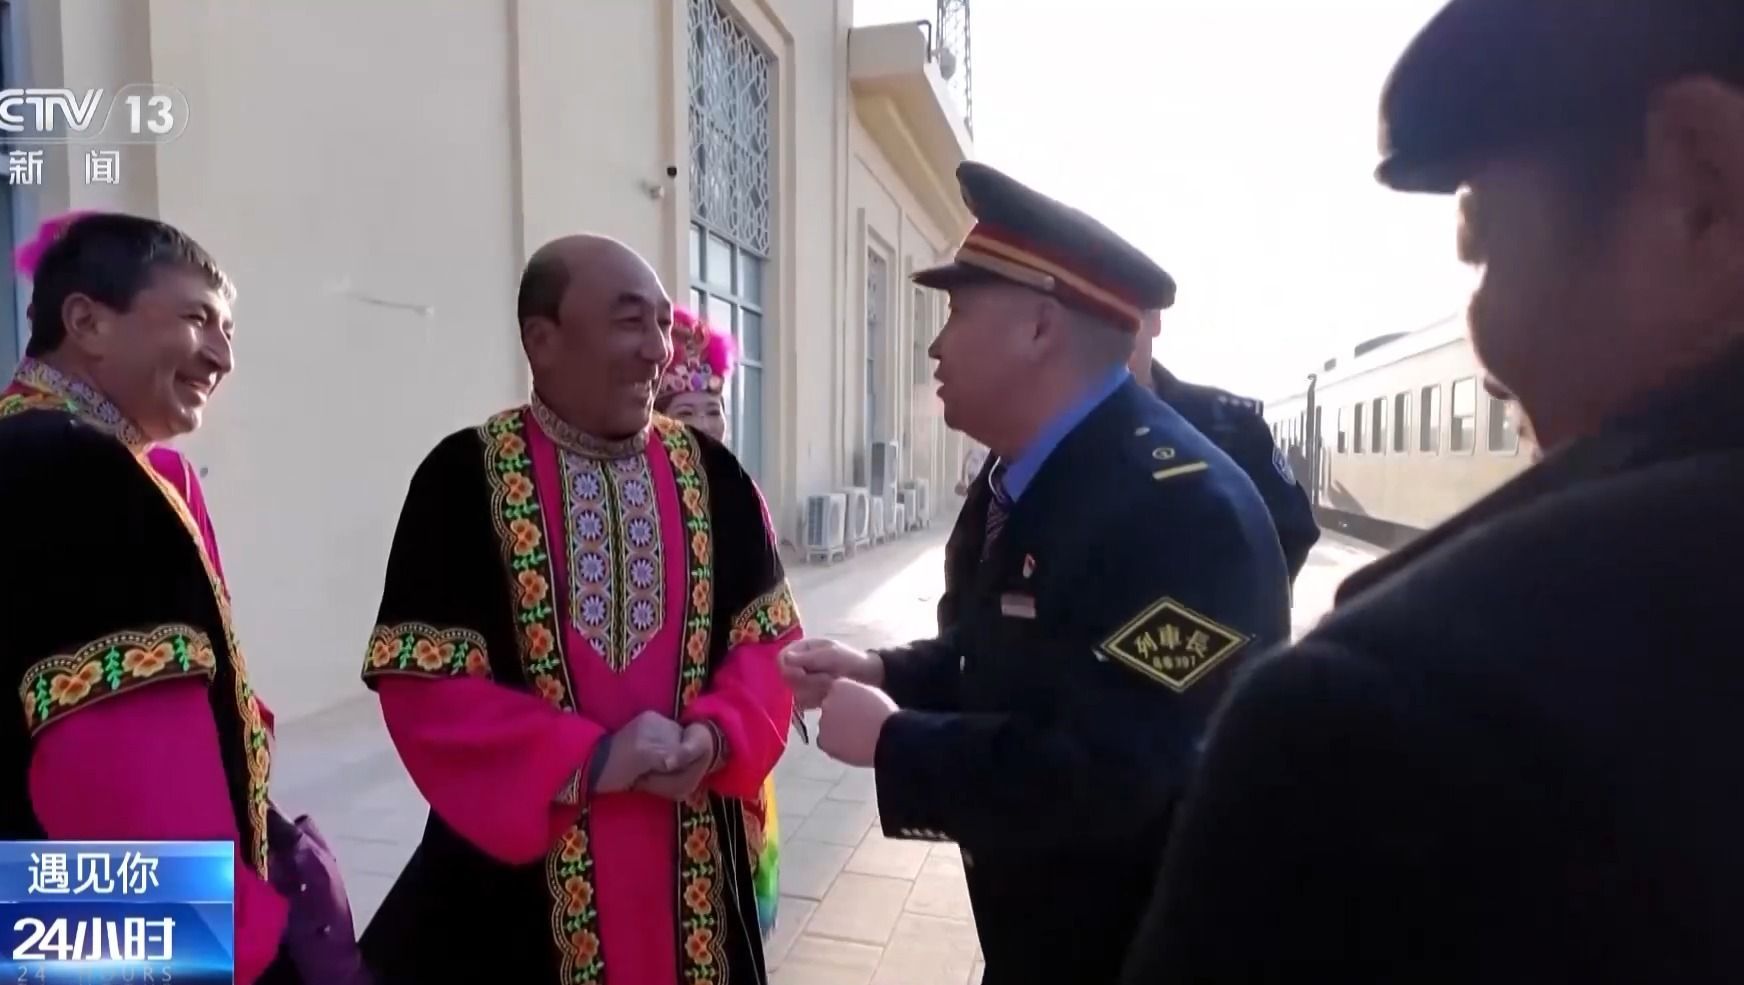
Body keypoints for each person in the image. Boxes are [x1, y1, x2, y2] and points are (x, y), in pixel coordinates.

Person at [1120, 2, 1744, 982]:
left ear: (1700, 190)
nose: (1488, 369)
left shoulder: (1390, 719)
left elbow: (1271, 539)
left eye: (1483, 246)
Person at [781, 162, 1291, 984]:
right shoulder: (1037, 476)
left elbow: (1120, 771)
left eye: (957, 312)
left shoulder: (1181, 511)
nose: (936, 345)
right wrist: (882, 671)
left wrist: (895, 742)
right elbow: (1009, 658)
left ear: (1039, 329)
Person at [0, 212, 357, 985]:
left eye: (229, 329)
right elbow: (133, 784)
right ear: (86, 322)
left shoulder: (8, 445)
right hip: (27, 931)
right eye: (196, 318)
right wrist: (236, 941)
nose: (223, 355)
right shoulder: (74, 468)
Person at [358, 234, 798, 984]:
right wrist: (590, 760)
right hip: (519, 893)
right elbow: (425, 683)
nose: (657, 350)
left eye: (662, 323)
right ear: (543, 339)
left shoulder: (716, 476)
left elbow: (768, 642)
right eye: (630, 322)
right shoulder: (460, 480)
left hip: (693, 864)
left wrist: (716, 736)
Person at [651, 304, 801, 943]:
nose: (706, 425)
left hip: (727, 717)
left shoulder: (742, 494)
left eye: (713, 410)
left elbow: (771, 620)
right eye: (686, 412)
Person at [1131, 309, 1322, 579]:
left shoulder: (1230, 426)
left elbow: (1291, 530)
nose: (1103, 334)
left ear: (1154, 321)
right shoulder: (1065, 422)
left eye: (1122, 315)